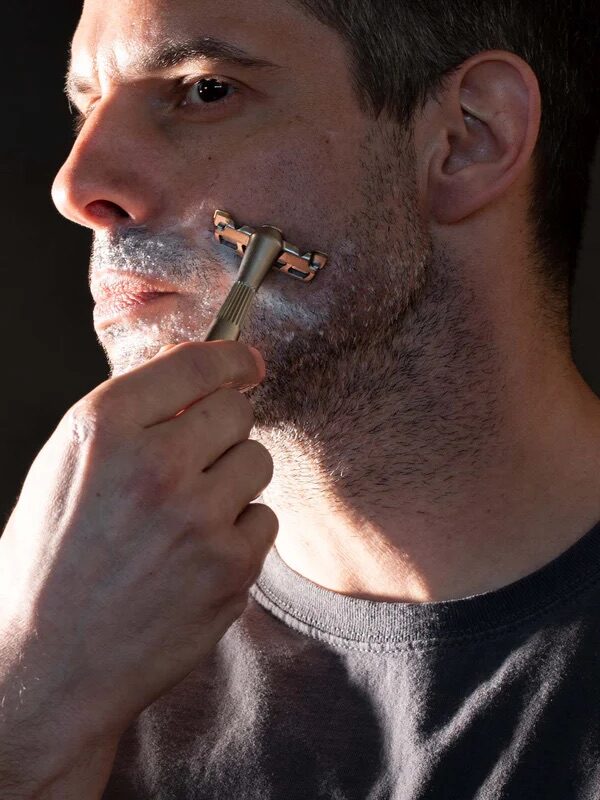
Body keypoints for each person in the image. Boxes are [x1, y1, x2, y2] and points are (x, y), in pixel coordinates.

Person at [1, 0, 599, 796]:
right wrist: (31, 709)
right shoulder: (46, 634)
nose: (77, 184)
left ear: (466, 138)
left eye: (204, 89)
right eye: (85, 107)